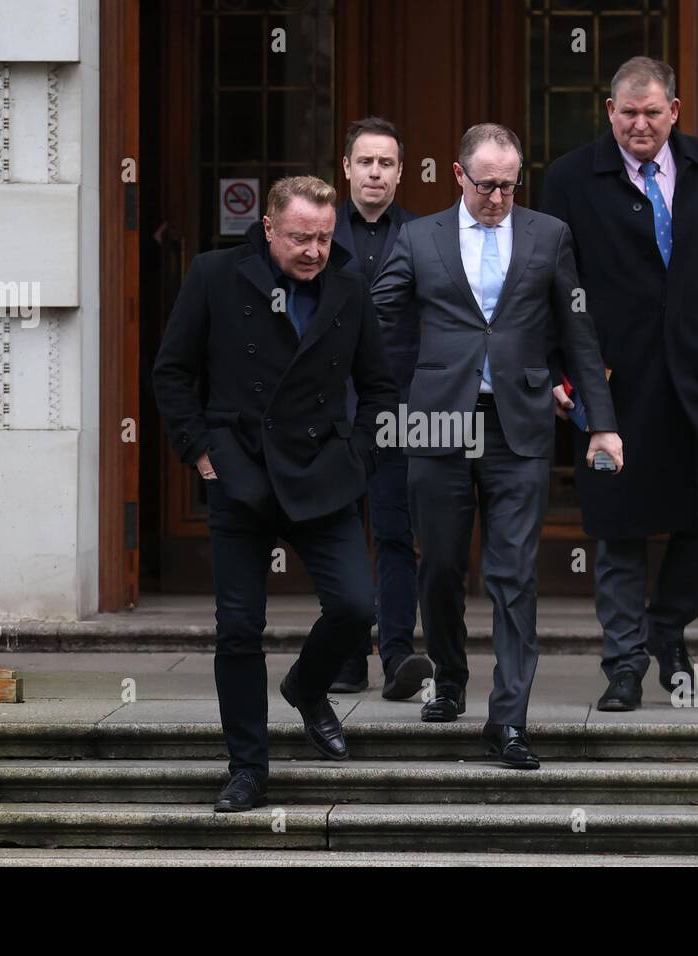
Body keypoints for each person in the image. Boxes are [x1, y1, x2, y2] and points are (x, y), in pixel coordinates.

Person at [371, 123, 622, 769]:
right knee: (443, 565)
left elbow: (580, 330)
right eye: (487, 185)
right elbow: (376, 318)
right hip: (437, 422)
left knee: (513, 575)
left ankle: (508, 721)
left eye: (510, 185)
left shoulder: (548, 235)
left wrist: (602, 421)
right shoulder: (419, 236)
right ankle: (450, 680)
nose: (499, 198)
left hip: (520, 424)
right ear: (458, 176)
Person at [152, 176, 398, 811]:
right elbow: (172, 372)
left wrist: (359, 455)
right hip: (241, 470)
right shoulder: (213, 275)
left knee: (355, 607)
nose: (314, 250)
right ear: (268, 229)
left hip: (322, 469)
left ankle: (306, 688)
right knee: (238, 628)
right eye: (299, 238)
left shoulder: (349, 285)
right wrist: (199, 449)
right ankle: (247, 768)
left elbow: (378, 386)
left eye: (322, 237)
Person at [540, 56, 698, 712]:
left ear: (675, 112)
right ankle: (625, 665)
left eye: (652, 112)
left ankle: (667, 629)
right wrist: (559, 371)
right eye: (627, 112)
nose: (640, 124)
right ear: (610, 112)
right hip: (615, 382)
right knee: (619, 525)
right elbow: (553, 286)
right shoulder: (571, 178)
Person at [327, 116, 432, 700]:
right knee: (340, 533)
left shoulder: (424, 235)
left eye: (386, 163)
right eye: (365, 161)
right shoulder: (316, 231)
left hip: (399, 410)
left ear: (400, 171)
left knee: (396, 534)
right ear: (346, 168)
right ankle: (345, 656)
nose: (375, 172)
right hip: (331, 413)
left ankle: (396, 657)